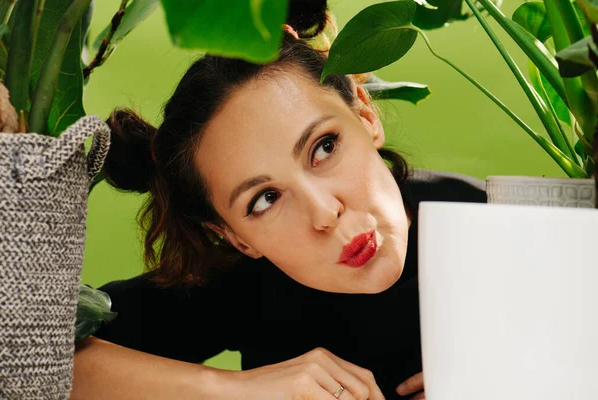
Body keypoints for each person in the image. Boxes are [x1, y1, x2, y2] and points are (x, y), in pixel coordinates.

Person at [71, 2, 486, 399]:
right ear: (235, 236)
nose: (324, 212)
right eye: (265, 198)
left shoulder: (495, 220)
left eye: (324, 147)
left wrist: (522, 371)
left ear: (365, 116)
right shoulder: (246, 285)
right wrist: (241, 390)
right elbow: (27, 356)